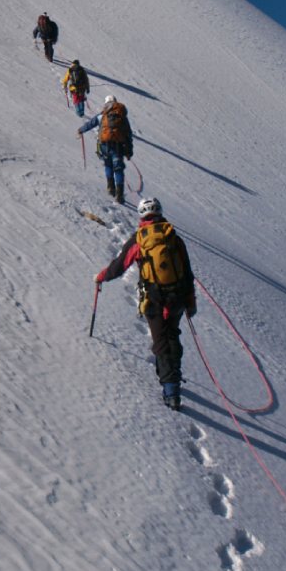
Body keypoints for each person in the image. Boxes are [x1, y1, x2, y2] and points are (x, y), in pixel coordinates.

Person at [93, 197, 196, 410]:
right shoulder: (174, 237)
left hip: (154, 299)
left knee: (161, 342)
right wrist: (190, 300)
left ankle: (171, 390)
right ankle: (169, 374)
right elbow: (186, 272)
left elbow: (120, 265)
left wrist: (101, 277)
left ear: (142, 216)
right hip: (177, 298)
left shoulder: (140, 239)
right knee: (172, 334)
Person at [78, 94, 133, 203]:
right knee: (118, 169)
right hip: (118, 146)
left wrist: (81, 130)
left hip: (104, 145)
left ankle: (110, 188)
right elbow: (128, 135)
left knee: (108, 165)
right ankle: (119, 195)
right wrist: (128, 151)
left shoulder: (103, 115)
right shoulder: (122, 117)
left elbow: (91, 123)